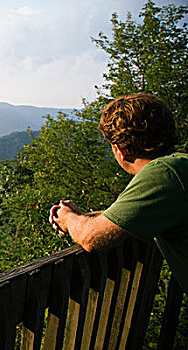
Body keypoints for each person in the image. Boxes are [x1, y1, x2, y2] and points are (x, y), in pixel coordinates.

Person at [49, 93, 188, 292]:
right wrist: (86, 217)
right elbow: (126, 218)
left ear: (120, 150)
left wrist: (68, 219)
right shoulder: (180, 164)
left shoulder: (164, 175)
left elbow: (91, 238)